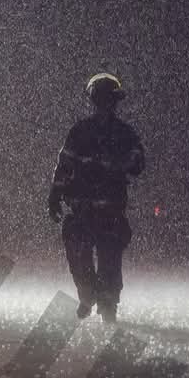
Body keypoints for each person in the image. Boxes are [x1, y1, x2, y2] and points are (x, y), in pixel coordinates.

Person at [48, 73, 147, 322]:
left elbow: (138, 163)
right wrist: (55, 193)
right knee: (79, 256)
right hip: (82, 211)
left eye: (108, 100)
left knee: (109, 261)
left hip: (110, 213)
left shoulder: (125, 134)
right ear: (95, 101)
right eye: (101, 99)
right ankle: (88, 295)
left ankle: (107, 307)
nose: (105, 105)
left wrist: (115, 165)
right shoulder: (79, 132)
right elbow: (65, 164)